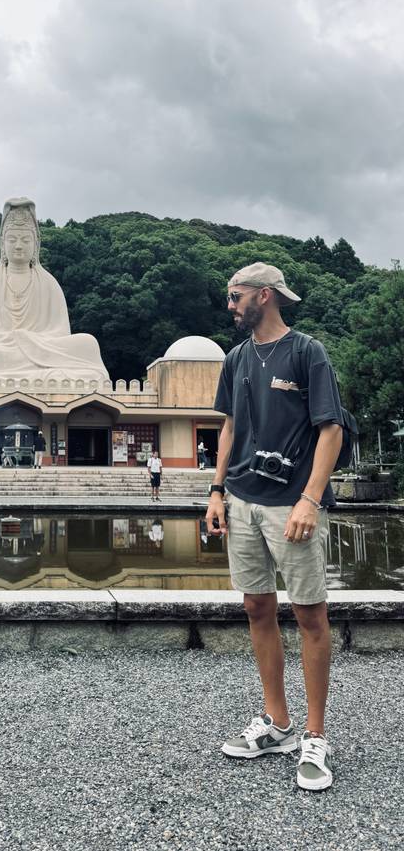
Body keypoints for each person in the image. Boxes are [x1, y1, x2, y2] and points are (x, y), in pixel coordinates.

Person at [207, 262, 344, 792]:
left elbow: (330, 430)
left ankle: (314, 734)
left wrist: (311, 499)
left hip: (293, 504)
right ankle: (278, 723)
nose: (230, 304)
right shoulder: (236, 358)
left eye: (235, 295)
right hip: (242, 499)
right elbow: (230, 426)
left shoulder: (307, 352)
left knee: (310, 613)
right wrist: (216, 491)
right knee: (256, 606)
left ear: (264, 296)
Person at [0, 198, 109, 381]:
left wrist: (28, 340)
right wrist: (11, 339)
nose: (18, 246)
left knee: (88, 344)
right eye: (12, 239)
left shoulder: (48, 283)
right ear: (2, 243)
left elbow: (60, 332)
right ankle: (35, 375)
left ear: (35, 244)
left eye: (25, 240)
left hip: (40, 353)